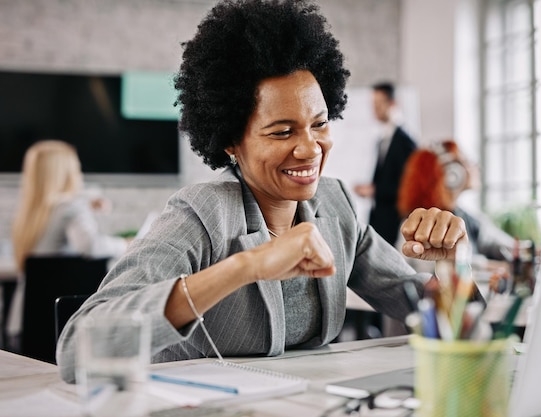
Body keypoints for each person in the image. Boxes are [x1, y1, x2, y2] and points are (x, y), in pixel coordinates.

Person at [56, 0, 478, 383]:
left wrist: (452, 267)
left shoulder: (334, 204)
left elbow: (445, 321)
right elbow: (78, 346)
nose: (310, 147)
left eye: (320, 123)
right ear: (230, 142)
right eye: (282, 131)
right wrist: (245, 266)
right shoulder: (200, 214)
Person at [7, 140, 128, 349]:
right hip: (62, 327)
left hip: (23, 325)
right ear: (67, 172)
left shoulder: (29, 214)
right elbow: (91, 246)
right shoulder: (71, 207)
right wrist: (125, 244)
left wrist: (89, 201)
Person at [397, 139, 516, 271]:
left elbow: (494, 241)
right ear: (452, 173)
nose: (475, 168)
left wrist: (525, 250)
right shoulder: (421, 223)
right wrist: (496, 267)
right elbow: (433, 265)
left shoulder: (463, 215)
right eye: (466, 162)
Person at [353, 82, 417, 245]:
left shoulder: (405, 142)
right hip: (380, 219)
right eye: (373, 104)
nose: (375, 109)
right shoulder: (384, 137)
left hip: (394, 223)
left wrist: (374, 190)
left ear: (393, 104)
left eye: (379, 104)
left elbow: (407, 186)